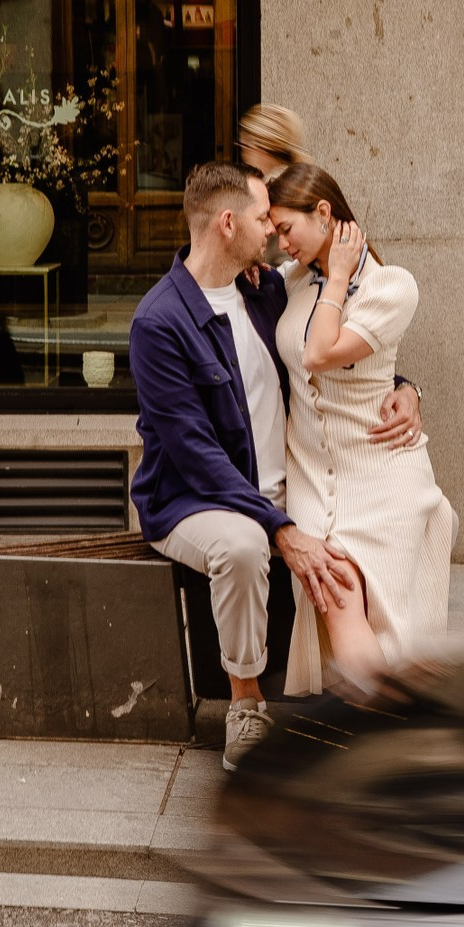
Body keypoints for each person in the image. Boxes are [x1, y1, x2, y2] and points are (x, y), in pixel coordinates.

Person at [130, 160, 423, 769]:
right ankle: (245, 703)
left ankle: (378, 717)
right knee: (240, 546)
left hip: (292, 485)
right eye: (264, 218)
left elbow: (321, 357)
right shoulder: (160, 324)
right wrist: (279, 529)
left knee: (346, 570)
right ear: (228, 223)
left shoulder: (263, 289)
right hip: (197, 500)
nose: (272, 232)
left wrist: (404, 385)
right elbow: (196, 456)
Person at [265, 163, 455, 698]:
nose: (280, 245)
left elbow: (321, 353)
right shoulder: (292, 281)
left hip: (382, 473)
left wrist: (342, 277)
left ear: (323, 213)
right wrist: (410, 387)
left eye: (286, 229)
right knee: (339, 593)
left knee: (386, 623)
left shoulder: (391, 288)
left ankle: (390, 731)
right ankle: (391, 730)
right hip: (312, 476)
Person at [237, 103, 311, 181]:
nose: (243, 154)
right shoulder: (301, 177)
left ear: (261, 149)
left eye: (245, 145)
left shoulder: (273, 188)